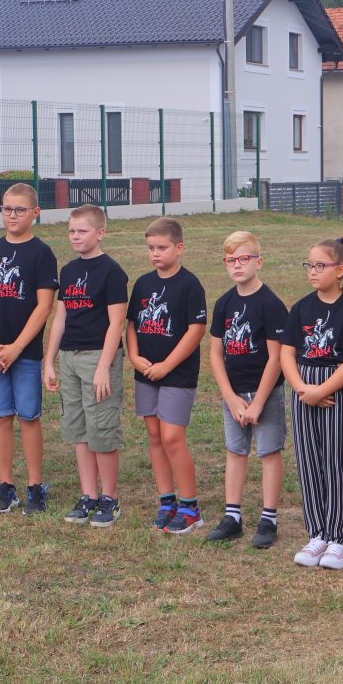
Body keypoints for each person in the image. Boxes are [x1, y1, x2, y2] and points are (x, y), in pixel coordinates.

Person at [282, 237, 343, 572]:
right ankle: (316, 533)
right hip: (303, 391)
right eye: (309, 265)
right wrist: (302, 388)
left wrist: (322, 390)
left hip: (337, 393)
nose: (313, 271)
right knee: (308, 462)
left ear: (340, 270)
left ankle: (338, 538)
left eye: (320, 266)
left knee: (337, 463)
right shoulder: (301, 308)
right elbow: (287, 353)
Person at [0, 184, 58, 515]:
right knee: (0, 416)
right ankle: (6, 486)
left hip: (25, 353)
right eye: (7, 209)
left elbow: (44, 306)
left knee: (28, 416)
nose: (12, 215)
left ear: (35, 213)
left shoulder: (41, 253)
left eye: (20, 210)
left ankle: (35, 487)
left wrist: (17, 347)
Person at [44, 205, 128, 527]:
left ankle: (109, 498)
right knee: (78, 428)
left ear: (100, 233)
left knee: (101, 428)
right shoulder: (68, 271)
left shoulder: (112, 272)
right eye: (71, 231)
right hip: (69, 357)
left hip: (98, 356)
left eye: (82, 231)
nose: (75, 237)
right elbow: (60, 317)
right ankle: (88, 495)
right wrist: (49, 361)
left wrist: (104, 366)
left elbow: (116, 322)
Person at [126, 216, 208, 534]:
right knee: (154, 435)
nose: (155, 254)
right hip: (146, 372)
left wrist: (167, 365)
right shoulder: (143, 284)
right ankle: (166, 501)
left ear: (179, 248)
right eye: (151, 248)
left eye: (162, 248)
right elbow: (132, 324)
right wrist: (134, 356)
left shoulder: (189, 284)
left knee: (172, 437)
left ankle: (190, 507)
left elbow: (196, 330)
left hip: (177, 373)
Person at [206, 230, 288, 546]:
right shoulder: (224, 303)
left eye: (244, 258)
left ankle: (268, 520)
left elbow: (276, 357)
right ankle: (233, 517)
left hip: (265, 393)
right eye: (231, 260)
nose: (237, 265)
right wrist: (231, 398)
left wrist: (258, 403)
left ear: (259, 261)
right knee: (235, 451)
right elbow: (216, 354)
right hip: (235, 394)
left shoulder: (270, 304)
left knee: (269, 452)